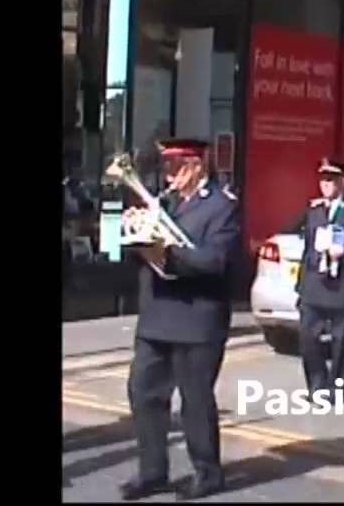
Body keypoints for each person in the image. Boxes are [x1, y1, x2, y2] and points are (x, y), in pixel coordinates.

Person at [119, 138, 241, 501]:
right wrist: (133, 236)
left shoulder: (222, 206)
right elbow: (140, 256)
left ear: (197, 166)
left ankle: (208, 472)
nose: (169, 175)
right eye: (167, 168)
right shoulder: (164, 203)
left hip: (196, 318)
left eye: (177, 167)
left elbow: (215, 261)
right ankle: (153, 471)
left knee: (195, 399)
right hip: (156, 315)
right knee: (143, 393)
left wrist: (167, 252)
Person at [294, 156, 344, 395]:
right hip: (314, 284)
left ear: (342, 182)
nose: (325, 184)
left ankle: (337, 388)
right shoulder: (313, 210)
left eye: (331, 180)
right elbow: (303, 244)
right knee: (308, 339)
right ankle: (317, 386)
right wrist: (300, 286)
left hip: (342, 286)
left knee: (341, 343)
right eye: (323, 180)